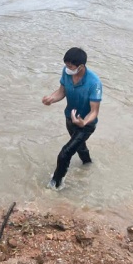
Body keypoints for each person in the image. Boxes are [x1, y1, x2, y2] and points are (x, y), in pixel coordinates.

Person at [42, 47, 102, 191]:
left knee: (65, 153)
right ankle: (88, 166)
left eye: (70, 66)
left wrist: (84, 122)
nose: (67, 68)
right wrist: (51, 98)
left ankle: (55, 185)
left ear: (81, 66)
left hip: (86, 125)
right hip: (70, 119)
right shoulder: (67, 72)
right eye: (66, 65)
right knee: (80, 147)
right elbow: (61, 91)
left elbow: (94, 111)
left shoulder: (94, 83)